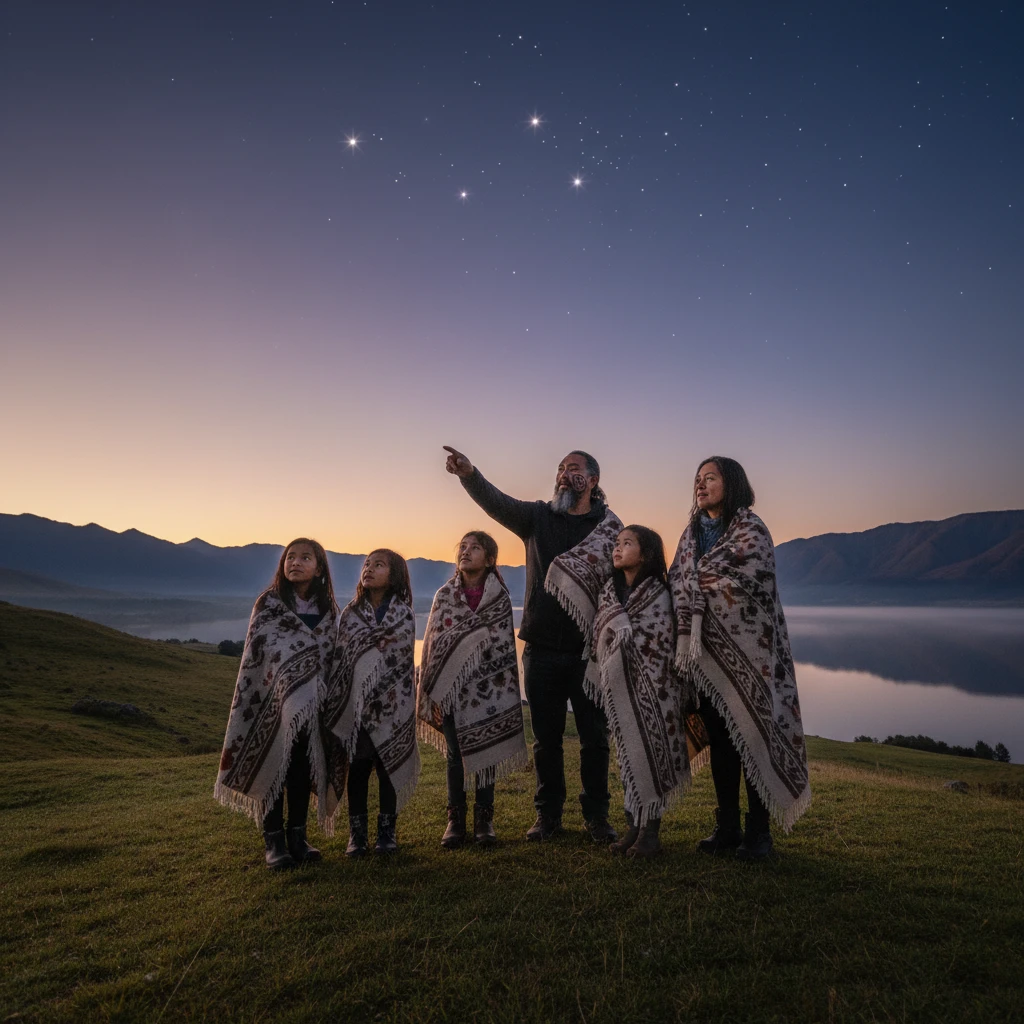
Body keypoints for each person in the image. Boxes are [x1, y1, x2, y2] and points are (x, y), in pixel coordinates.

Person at [443, 445, 623, 843]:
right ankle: (548, 816)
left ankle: (597, 817)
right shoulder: (538, 517)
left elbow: (621, 582)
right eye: (560, 467)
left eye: (573, 468)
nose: (563, 473)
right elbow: (498, 503)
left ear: (593, 480)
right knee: (546, 738)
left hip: (590, 650)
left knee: (595, 737)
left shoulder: (610, 529)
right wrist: (470, 475)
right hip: (540, 647)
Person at [668, 457, 811, 860]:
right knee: (721, 741)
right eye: (697, 479)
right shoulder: (689, 534)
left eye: (709, 478)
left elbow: (752, 584)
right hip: (704, 659)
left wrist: (696, 585)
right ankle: (727, 826)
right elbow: (677, 579)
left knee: (752, 737)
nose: (700, 485)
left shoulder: (752, 529)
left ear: (730, 483)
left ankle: (759, 833)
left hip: (752, 658)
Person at [215, 538, 338, 870]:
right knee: (274, 761)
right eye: (290, 557)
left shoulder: (327, 610)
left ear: (320, 567)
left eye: (305, 557)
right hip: (272, 704)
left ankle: (298, 836)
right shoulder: (268, 604)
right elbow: (260, 657)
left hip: (312, 711)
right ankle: (274, 840)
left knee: (301, 767)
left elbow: (330, 656)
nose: (295, 562)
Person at [587, 526, 705, 857]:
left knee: (652, 756)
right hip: (620, 689)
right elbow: (600, 637)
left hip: (657, 690)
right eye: (617, 543)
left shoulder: (660, 594)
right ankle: (633, 827)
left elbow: (664, 642)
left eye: (627, 543)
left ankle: (650, 833)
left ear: (647, 553)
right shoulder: (609, 592)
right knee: (628, 759)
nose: (618, 548)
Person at [418, 531, 528, 848]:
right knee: (455, 756)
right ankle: (455, 821)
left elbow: (503, 649)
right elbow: (433, 649)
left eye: (474, 547)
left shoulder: (500, 599)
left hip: (489, 691)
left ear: (490, 559)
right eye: (462, 547)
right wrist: (435, 689)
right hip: (451, 692)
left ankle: (484, 821)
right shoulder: (443, 597)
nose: (466, 552)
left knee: (487, 754)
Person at [322, 549, 420, 857]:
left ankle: (386, 833)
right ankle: (357, 835)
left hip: (393, 706)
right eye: (367, 564)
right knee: (359, 767)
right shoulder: (350, 614)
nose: (369, 569)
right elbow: (343, 659)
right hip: (358, 709)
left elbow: (399, 657)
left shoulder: (403, 612)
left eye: (378, 565)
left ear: (394, 576)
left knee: (390, 766)